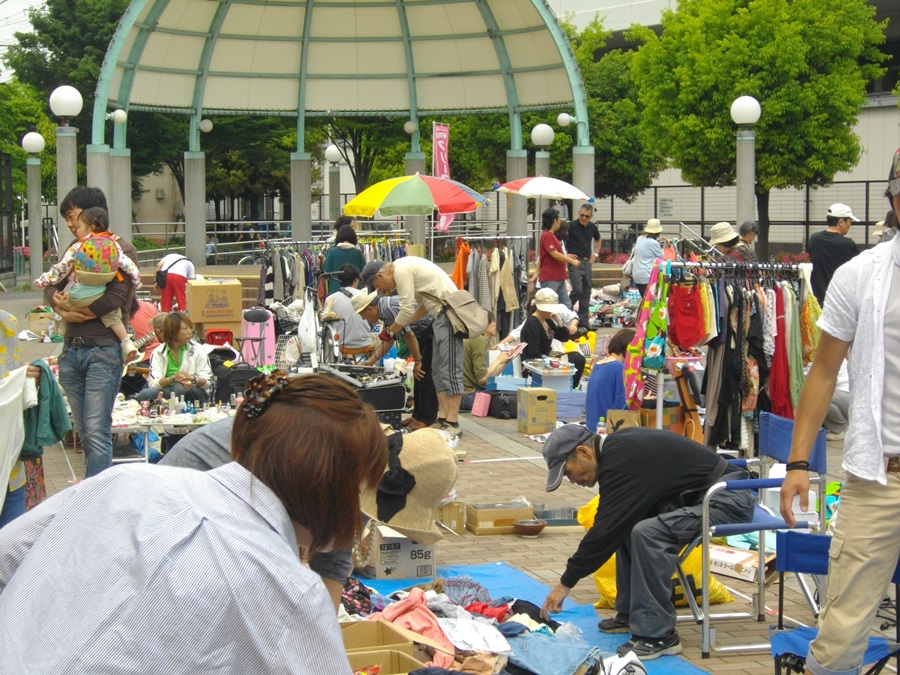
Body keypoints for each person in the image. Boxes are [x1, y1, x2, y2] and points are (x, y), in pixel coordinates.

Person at [0, 373, 388, 672]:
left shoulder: (127, 478)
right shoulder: (288, 589)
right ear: (329, 489)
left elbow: (8, 553)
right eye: (355, 492)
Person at [779, 151, 900, 675]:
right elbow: (823, 372)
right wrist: (798, 463)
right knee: (843, 628)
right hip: (879, 476)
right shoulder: (862, 274)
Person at [538, 424, 755, 660]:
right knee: (627, 524)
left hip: (726, 498)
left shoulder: (621, 461)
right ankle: (632, 613)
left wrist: (565, 583)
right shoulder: (615, 453)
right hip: (701, 495)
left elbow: (603, 532)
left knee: (647, 532)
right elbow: (611, 524)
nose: (571, 480)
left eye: (568, 473)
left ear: (584, 452)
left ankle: (659, 636)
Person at [42, 186, 136, 478]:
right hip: (71, 351)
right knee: (83, 433)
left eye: (72, 217)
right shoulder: (76, 247)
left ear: (92, 215)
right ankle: (92, 491)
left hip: (103, 351)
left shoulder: (118, 249)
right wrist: (59, 308)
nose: (70, 225)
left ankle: (95, 501)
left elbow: (118, 298)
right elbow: (52, 282)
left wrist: (77, 313)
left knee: (96, 431)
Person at [371, 256, 465, 438]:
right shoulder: (405, 268)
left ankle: (453, 422)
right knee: (437, 371)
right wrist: (393, 329)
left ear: (380, 275)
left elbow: (406, 310)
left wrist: (391, 330)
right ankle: (443, 419)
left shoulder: (401, 270)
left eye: (378, 286)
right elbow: (422, 308)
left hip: (450, 313)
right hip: (439, 316)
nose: (383, 291)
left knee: (450, 369)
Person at [34, 207, 141, 361]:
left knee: (67, 298)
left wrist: (44, 281)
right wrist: (137, 282)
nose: (72, 227)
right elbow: (129, 266)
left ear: (91, 225)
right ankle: (126, 341)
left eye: (77, 223)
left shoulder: (80, 246)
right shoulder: (113, 246)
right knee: (112, 316)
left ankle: (62, 328)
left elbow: (61, 269)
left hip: (82, 304)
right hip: (95, 298)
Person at [352, 284, 438, 431]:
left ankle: (426, 418)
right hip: (423, 333)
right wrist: (372, 360)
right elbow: (389, 338)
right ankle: (418, 415)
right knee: (419, 377)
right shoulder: (384, 309)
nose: (363, 318)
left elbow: (408, 335)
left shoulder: (388, 309)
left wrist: (418, 361)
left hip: (431, 330)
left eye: (362, 315)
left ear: (369, 309)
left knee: (424, 374)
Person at [134, 311, 212, 405]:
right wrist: (173, 378)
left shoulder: (198, 349)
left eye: (190, 328)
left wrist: (191, 378)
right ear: (173, 331)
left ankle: (169, 406)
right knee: (144, 394)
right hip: (167, 391)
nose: (189, 331)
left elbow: (207, 382)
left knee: (179, 387)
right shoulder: (158, 352)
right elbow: (154, 384)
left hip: (192, 391)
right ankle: (168, 405)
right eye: (185, 328)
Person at [520, 288, 586, 389]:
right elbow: (533, 352)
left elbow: (564, 338)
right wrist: (550, 359)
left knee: (578, 357)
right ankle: (568, 387)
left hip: (545, 358)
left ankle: (571, 386)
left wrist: (559, 321)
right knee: (577, 359)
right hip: (536, 362)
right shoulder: (533, 323)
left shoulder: (547, 320)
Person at [807, 202, 860, 305]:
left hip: (817, 298)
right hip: (839, 299)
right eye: (849, 221)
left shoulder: (814, 239)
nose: (850, 225)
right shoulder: (848, 244)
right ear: (841, 222)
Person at [585, 328, 635, 433]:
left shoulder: (598, 365)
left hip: (593, 428)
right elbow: (622, 407)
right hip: (609, 432)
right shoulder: (619, 368)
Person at [460, 311, 511, 412]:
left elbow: (487, 379)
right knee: (505, 401)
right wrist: (498, 361)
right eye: (492, 321)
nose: (495, 324)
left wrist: (504, 363)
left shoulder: (473, 338)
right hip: (467, 397)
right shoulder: (478, 340)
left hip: (462, 395)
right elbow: (482, 379)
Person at [321, 264, 376, 356]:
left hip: (339, 346)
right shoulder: (366, 295)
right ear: (355, 280)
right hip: (364, 345)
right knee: (376, 338)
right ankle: (371, 363)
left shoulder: (330, 299)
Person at [535, 207, 580, 309]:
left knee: (566, 305)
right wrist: (571, 261)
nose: (560, 222)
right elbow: (554, 254)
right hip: (550, 277)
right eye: (559, 219)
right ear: (554, 220)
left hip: (558, 276)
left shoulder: (552, 236)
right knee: (548, 305)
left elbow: (553, 254)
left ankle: (563, 324)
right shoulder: (547, 236)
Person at [566, 204, 602, 328]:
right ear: (578, 214)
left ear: (591, 217)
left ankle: (583, 321)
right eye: (582, 215)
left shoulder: (592, 227)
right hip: (575, 261)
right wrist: (566, 254)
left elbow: (598, 239)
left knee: (586, 291)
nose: (583, 218)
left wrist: (595, 253)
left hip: (587, 262)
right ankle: (567, 310)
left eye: (587, 216)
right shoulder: (571, 226)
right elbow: (561, 240)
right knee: (577, 289)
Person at [119, 303, 164, 398]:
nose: (131, 318)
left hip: (135, 362)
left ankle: (131, 396)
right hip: (126, 362)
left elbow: (133, 346)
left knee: (133, 372)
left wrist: (142, 345)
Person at [323, 224, 366, 295]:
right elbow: (363, 274)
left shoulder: (332, 252)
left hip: (335, 292)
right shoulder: (357, 253)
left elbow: (326, 272)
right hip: (355, 294)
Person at [631, 219, 664, 298]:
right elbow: (661, 256)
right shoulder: (654, 243)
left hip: (637, 274)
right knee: (649, 300)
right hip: (647, 275)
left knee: (644, 299)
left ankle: (643, 310)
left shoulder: (640, 238)